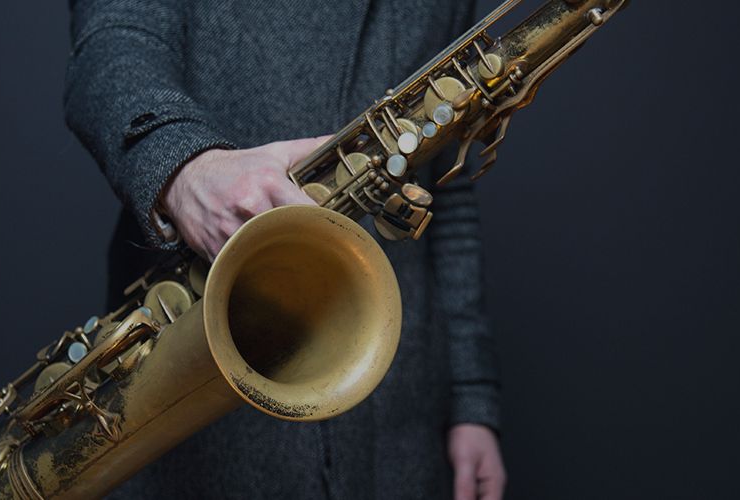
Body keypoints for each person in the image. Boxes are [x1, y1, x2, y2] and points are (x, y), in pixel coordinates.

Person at [64, 1, 504, 498]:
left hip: (398, 413)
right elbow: (113, 46)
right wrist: (186, 170)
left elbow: (446, 186)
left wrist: (471, 400)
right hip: (201, 404)